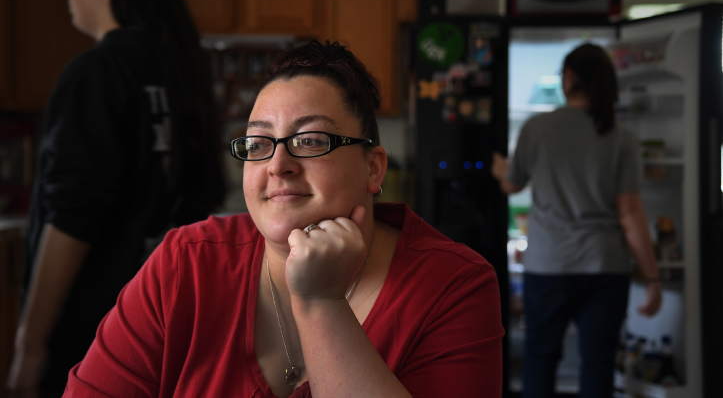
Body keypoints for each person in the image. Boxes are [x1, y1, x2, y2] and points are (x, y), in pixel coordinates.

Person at [62, 40, 505, 398]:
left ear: (373, 168)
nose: (278, 165)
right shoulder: (186, 263)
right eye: (258, 144)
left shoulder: (454, 284)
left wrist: (321, 302)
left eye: (311, 139)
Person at [7, 0, 226, 398]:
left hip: (94, 333)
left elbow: (73, 216)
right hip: (166, 319)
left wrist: (30, 345)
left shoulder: (96, 72)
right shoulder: (185, 73)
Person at [491, 43, 662, 398]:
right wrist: (653, 276)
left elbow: (512, 185)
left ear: (568, 79)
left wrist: (499, 170)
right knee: (597, 364)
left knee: (540, 358)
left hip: (549, 265)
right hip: (604, 265)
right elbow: (629, 213)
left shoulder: (538, 128)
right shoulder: (622, 137)